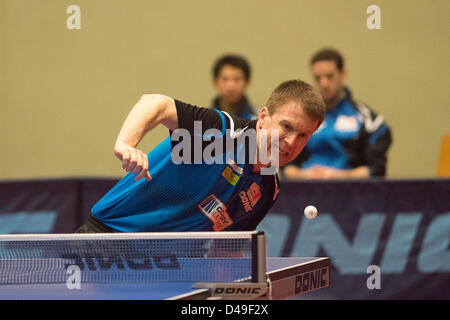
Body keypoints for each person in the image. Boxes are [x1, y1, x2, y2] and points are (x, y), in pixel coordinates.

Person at [76, 80, 325, 233]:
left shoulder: (267, 188)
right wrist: (125, 145)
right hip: (108, 239)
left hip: (171, 266)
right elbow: (155, 103)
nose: (292, 142)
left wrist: (249, 291)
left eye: (304, 135)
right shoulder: (223, 133)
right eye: (286, 127)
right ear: (262, 118)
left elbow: (227, 250)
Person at [283, 49, 392, 179]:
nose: (324, 83)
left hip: (351, 195)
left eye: (329, 76)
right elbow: (285, 167)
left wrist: (337, 176)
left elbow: (376, 170)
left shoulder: (371, 122)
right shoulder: (298, 120)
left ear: (343, 74)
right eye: (318, 78)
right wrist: (305, 175)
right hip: (306, 194)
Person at [210, 54, 257, 119]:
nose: (231, 86)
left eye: (237, 79)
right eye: (225, 79)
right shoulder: (203, 120)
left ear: (247, 82)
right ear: (215, 82)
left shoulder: (259, 121)